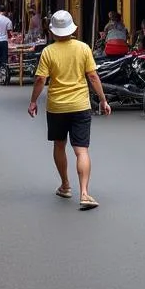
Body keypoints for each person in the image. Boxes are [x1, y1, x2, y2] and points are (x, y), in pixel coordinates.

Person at [27, 11, 111, 209]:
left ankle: (65, 185)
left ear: (53, 31)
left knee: (59, 145)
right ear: (73, 28)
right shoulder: (83, 48)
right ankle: (84, 193)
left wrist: (33, 102)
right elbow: (92, 77)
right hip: (80, 105)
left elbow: (40, 79)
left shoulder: (48, 51)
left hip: (56, 106)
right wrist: (103, 100)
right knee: (81, 150)